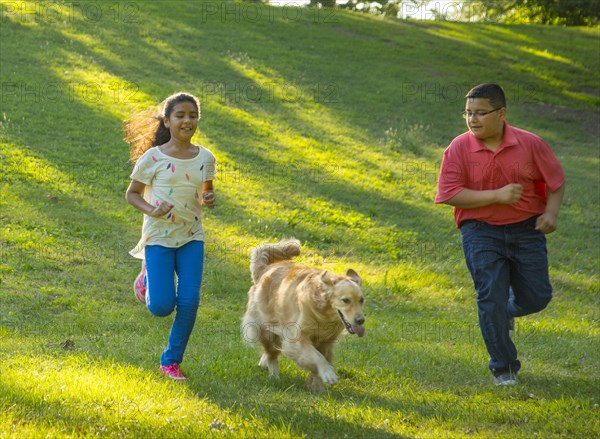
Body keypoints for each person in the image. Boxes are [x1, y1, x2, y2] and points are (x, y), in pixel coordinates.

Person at [435, 83, 565, 386]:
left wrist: (551, 213)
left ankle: (504, 311)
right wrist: (496, 196)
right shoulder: (458, 148)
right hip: (480, 231)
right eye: (468, 113)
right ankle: (503, 367)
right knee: (489, 296)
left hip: (526, 229)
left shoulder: (531, 144)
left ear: (502, 113)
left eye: (481, 113)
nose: (473, 119)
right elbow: (450, 194)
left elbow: (556, 182)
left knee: (537, 297)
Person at [124, 92, 216, 381]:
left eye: (192, 115)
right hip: (159, 237)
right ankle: (147, 278)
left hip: (192, 236)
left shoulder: (206, 158)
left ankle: (170, 361)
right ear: (167, 120)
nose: (187, 120)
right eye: (180, 115)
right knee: (162, 306)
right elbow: (132, 195)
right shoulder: (152, 158)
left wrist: (209, 198)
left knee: (189, 301)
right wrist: (152, 209)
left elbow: (204, 192)